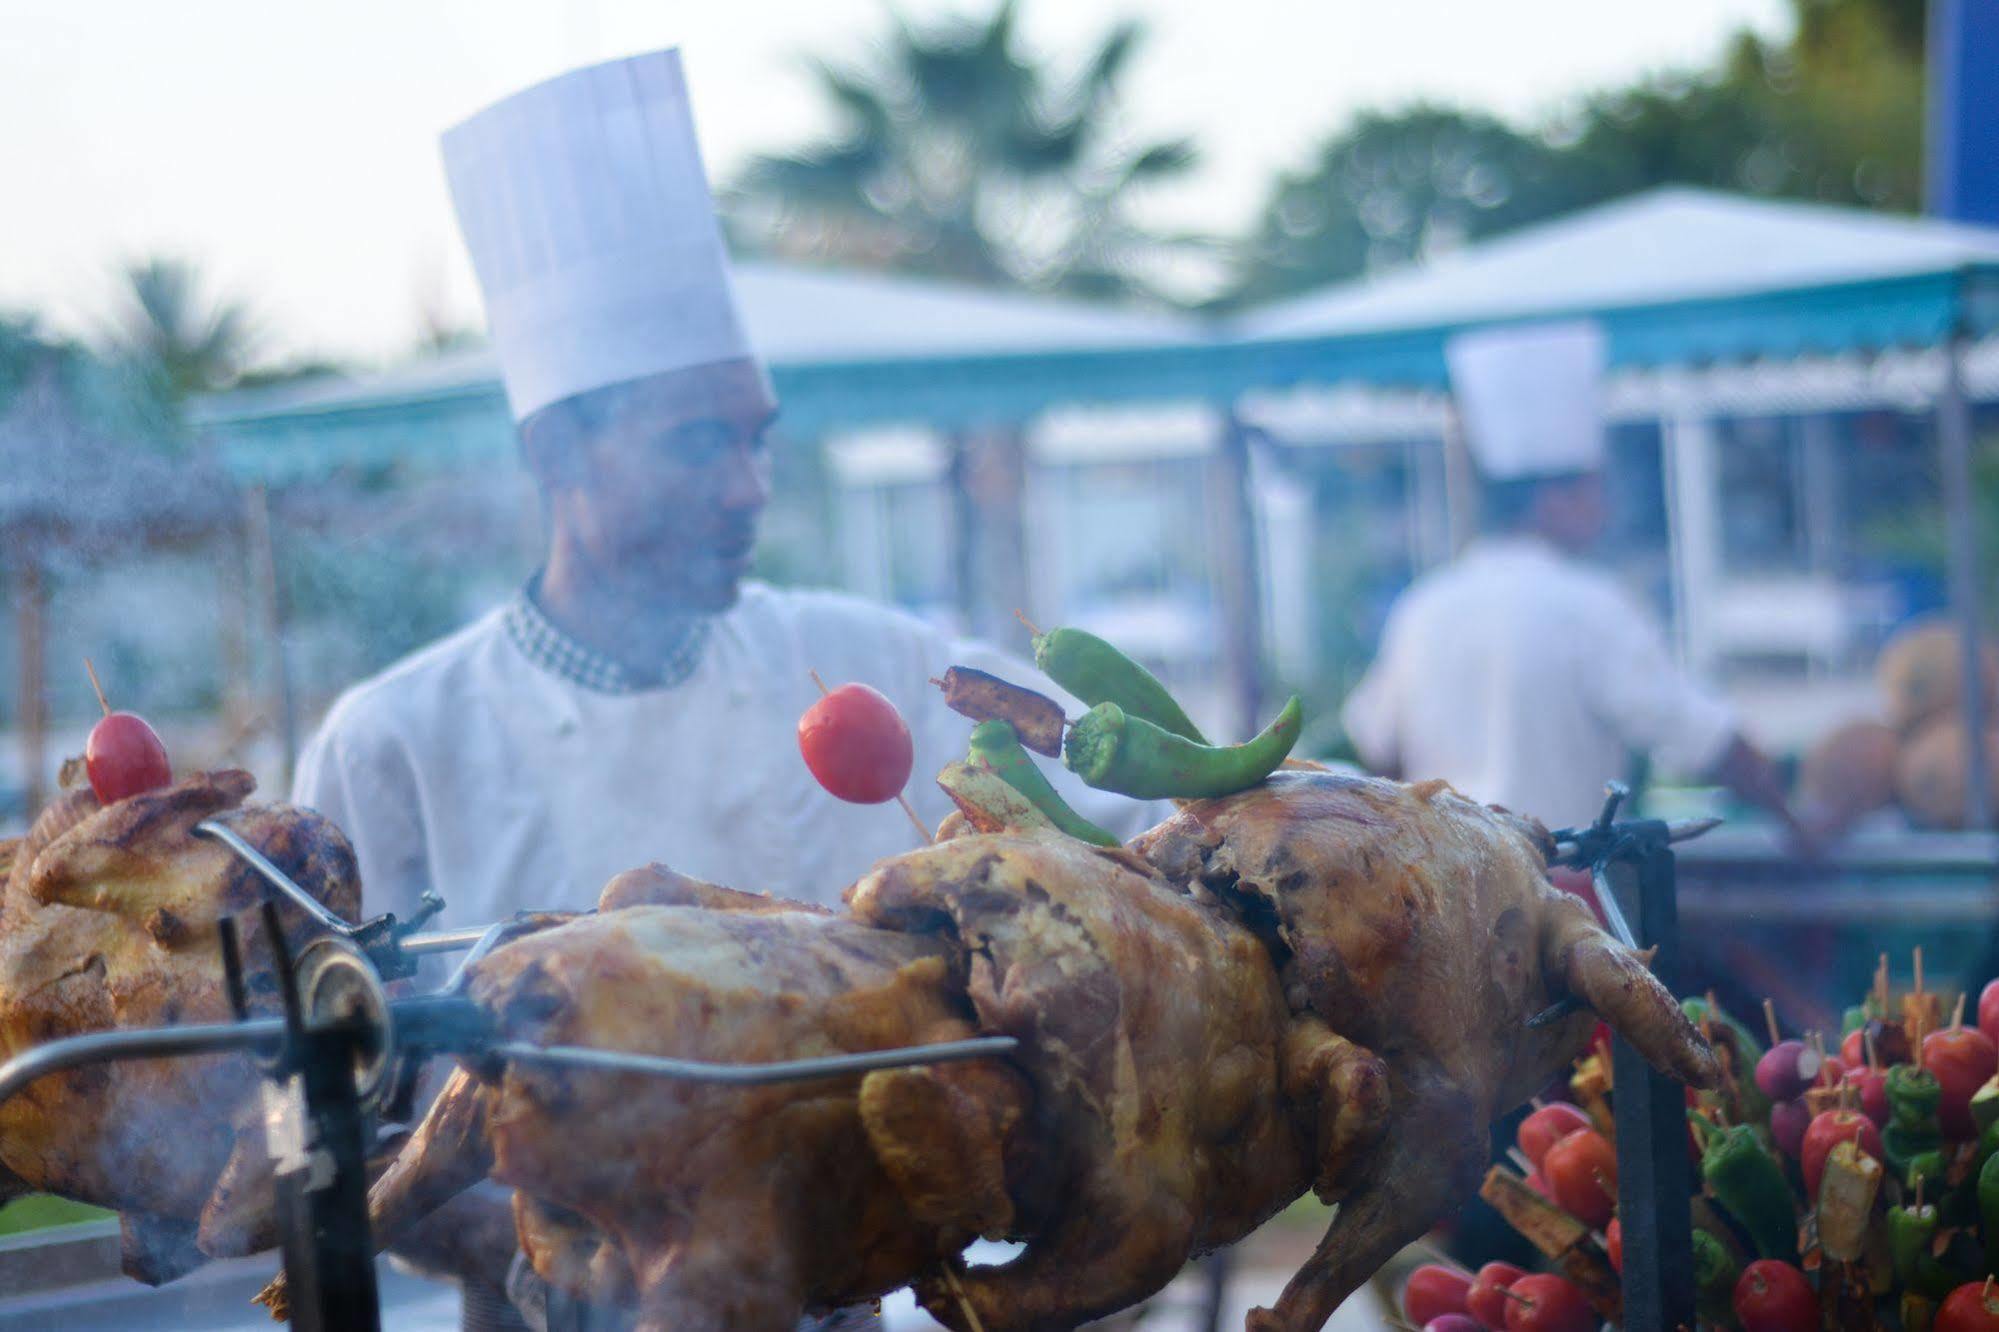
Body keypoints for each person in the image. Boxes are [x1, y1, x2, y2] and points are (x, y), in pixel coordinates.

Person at [291, 49, 1162, 1330]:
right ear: (558, 450)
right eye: (699, 441)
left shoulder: (863, 657)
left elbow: (1127, 830)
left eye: (756, 439)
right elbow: (336, 1132)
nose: (750, 488)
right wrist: (584, 1233)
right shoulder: (394, 742)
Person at [1340, 320, 1803, 839]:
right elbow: (1704, 738)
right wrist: (1795, 822)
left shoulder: (1424, 605)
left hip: (1448, 891)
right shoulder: (1588, 606)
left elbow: (1377, 746)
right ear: (1553, 499)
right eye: (1592, 488)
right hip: (1560, 891)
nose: (1603, 505)